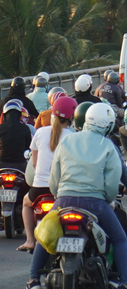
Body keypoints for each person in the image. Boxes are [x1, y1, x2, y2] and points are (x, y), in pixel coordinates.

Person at [27, 103, 127, 289]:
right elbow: (112, 185)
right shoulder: (107, 146)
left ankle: (34, 280)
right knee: (120, 238)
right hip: (95, 204)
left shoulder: (67, 141)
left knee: (44, 235)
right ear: (107, 125)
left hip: (63, 200)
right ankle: (124, 283)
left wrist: (60, 196)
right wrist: (108, 200)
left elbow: (54, 179)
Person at [17, 97, 78, 253]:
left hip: (39, 188)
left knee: (26, 203)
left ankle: (30, 240)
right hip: (62, 190)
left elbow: (35, 164)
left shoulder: (40, 132)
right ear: (72, 117)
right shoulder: (73, 137)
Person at [0, 100, 33, 172]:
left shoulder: (1, 128)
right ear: (19, 115)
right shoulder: (25, 128)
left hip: (2, 164)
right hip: (20, 165)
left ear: (5, 115)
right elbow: (28, 147)